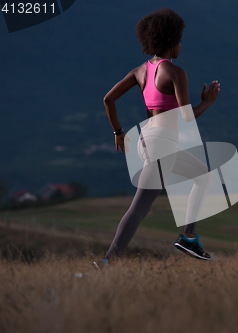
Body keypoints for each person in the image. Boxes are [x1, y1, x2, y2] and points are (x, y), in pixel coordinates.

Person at [94, 8, 220, 268]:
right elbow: (186, 117)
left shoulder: (140, 71)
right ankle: (109, 261)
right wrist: (206, 103)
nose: (181, 46)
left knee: (204, 176)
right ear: (171, 42)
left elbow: (108, 99)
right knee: (139, 208)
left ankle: (189, 236)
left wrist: (118, 131)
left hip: (147, 140)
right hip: (161, 143)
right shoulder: (175, 73)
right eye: (179, 41)